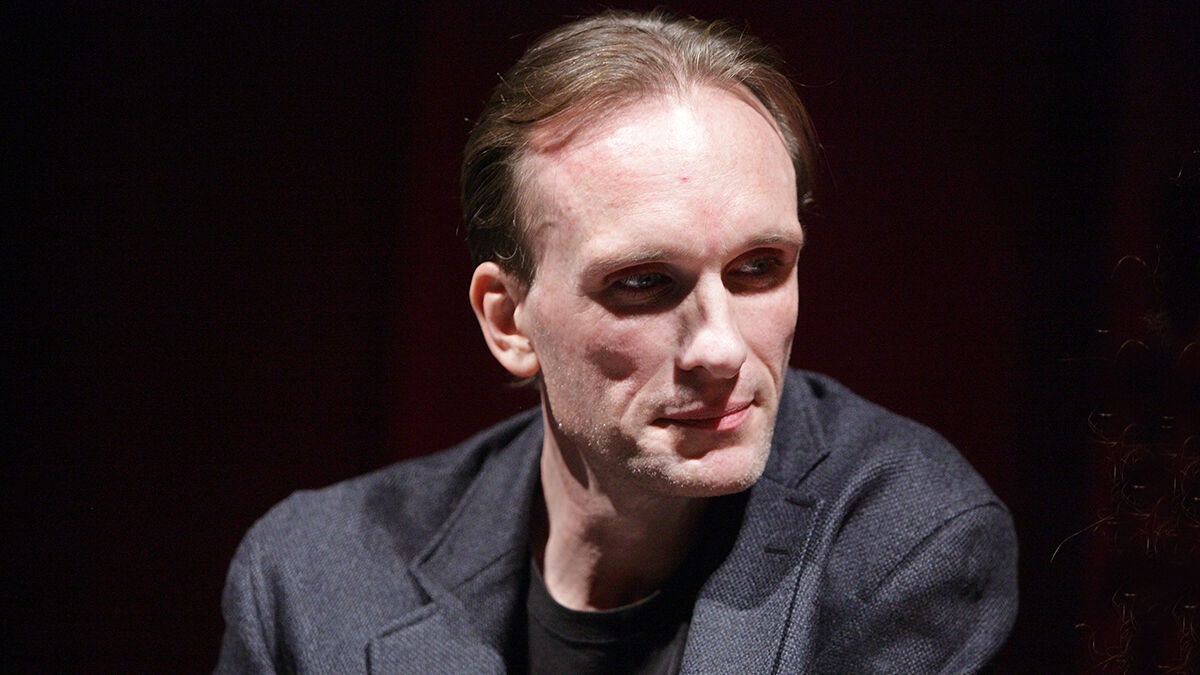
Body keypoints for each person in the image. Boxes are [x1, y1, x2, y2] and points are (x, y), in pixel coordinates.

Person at [216, 10, 1017, 674]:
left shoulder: (905, 545)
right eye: (644, 282)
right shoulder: (312, 577)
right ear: (508, 320)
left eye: (759, 268)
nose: (721, 349)